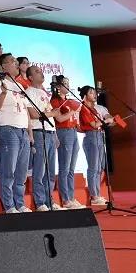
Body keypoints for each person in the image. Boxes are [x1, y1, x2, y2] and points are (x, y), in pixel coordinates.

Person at [0, 54, 33, 213]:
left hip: (23, 131)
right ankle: (9, 205)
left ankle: (20, 203)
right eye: (12, 61)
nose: (16, 63)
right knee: (8, 170)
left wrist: (30, 133)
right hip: (7, 129)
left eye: (16, 61)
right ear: (3, 66)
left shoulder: (20, 86)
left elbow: (26, 111)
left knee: (21, 172)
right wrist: (3, 93)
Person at [25, 66, 61, 211]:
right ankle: (40, 202)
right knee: (40, 170)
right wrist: (52, 114)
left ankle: (49, 200)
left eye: (40, 71)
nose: (41, 73)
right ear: (30, 77)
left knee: (51, 172)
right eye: (37, 72)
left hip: (50, 132)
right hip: (39, 132)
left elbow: (49, 115)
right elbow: (33, 114)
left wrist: (55, 134)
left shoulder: (44, 93)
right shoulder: (29, 92)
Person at [51, 75, 84, 210]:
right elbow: (59, 119)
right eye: (65, 83)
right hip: (63, 132)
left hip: (73, 131)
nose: (68, 86)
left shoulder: (69, 101)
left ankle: (71, 196)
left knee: (71, 168)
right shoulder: (55, 101)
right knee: (64, 167)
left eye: (68, 83)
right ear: (58, 86)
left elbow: (74, 117)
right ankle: (65, 199)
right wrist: (73, 112)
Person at [79, 85, 113, 206]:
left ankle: (97, 194)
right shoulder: (84, 108)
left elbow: (101, 123)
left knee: (99, 168)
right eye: (91, 93)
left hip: (99, 136)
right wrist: (105, 121)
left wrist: (108, 120)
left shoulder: (94, 109)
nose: (94, 95)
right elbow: (93, 124)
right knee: (93, 167)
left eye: (94, 93)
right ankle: (94, 196)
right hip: (91, 137)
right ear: (85, 96)